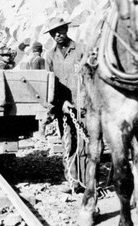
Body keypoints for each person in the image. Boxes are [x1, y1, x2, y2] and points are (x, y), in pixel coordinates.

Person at [44, 17, 85, 193]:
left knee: (86, 144)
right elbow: (50, 84)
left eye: (60, 30)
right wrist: (61, 104)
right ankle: (72, 181)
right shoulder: (50, 56)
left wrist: (84, 100)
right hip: (64, 107)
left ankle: (87, 181)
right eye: (54, 33)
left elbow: (90, 76)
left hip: (84, 105)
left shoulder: (81, 50)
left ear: (66, 29)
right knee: (68, 142)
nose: (58, 35)